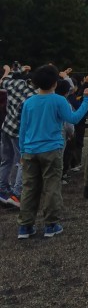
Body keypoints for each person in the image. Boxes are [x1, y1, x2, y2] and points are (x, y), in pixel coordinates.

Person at [17, 65, 88, 239]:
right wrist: (87, 100)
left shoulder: (29, 102)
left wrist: (22, 151)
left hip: (30, 150)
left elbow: (23, 129)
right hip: (52, 149)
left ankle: (25, 226)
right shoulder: (59, 100)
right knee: (51, 186)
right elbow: (73, 118)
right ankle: (51, 225)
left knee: (29, 188)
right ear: (54, 83)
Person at [0, 63, 35, 207]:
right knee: (22, 162)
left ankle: (2, 188)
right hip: (19, 132)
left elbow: (4, 80)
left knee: (6, 159)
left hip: (6, 127)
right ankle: (17, 193)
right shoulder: (33, 95)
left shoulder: (15, 84)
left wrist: (12, 70)